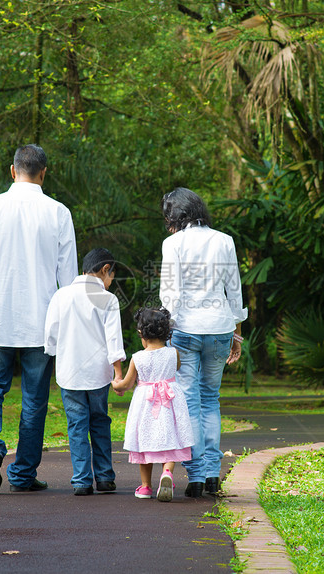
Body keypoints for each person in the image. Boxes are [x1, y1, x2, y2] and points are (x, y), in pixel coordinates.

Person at [0, 144, 77, 494]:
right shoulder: (58, 212)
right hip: (43, 325)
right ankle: (22, 474)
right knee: (35, 399)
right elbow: (68, 280)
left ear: (12, 171)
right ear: (43, 173)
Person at [159, 187, 247, 498]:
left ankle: (195, 476)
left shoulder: (174, 244)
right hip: (220, 328)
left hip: (185, 329)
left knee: (190, 402)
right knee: (211, 399)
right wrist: (237, 334)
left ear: (176, 216)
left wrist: (167, 337)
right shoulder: (224, 241)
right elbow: (234, 291)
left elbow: (169, 294)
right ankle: (212, 473)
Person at [43, 248, 126, 496]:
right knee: (100, 422)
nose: (111, 282)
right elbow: (114, 341)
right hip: (98, 375)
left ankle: (81, 480)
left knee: (76, 425)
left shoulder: (61, 295)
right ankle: (104, 478)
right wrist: (118, 375)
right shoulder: (107, 300)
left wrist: (57, 352)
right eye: (112, 276)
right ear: (104, 270)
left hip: (69, 374)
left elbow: (50, 336)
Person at [112, 307, 194, 502]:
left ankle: (146, 486)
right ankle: (167, 473)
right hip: (170, 400)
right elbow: (177, 367)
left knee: (145, 442)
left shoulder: (138, 357)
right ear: (166, 332)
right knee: (171, 437)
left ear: (141, 333)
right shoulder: (173, 353)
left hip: (146, 403)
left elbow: (127, 383)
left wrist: (117, 384)